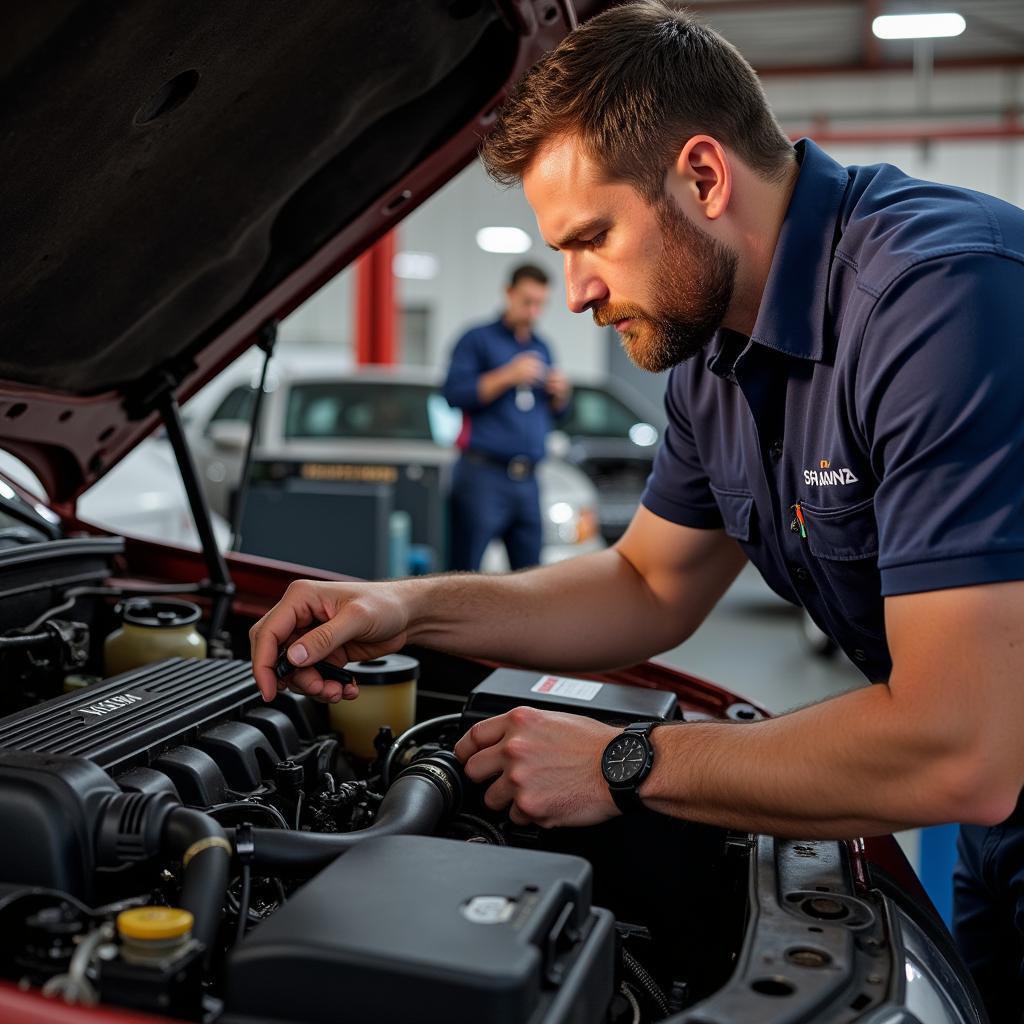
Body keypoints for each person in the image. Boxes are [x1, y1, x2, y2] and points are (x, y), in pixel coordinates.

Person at [250, 3, 1024, 1016]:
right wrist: (404, 606)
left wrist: (623, 761)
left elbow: (961, 743)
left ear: (702, 177)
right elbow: (646, 582)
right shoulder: (708, 353)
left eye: (593, 238)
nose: (575, 292)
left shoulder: (943, 300)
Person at [441, 264, 571, 571]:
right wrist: (507, 375)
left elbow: (556, 414)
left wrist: (560, 394)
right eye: (527, 301)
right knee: (464, 572)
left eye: (540, 304)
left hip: (527, 480)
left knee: (530, 576)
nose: (533, 311)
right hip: (483, 475)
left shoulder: (542, 347)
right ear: (508, 293)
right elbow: (454, 394)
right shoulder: (477, 340)